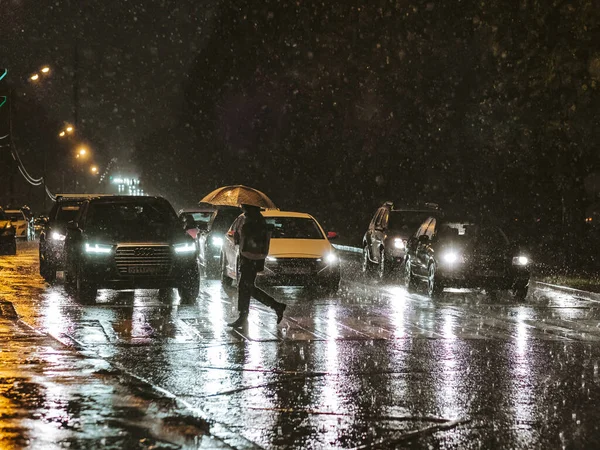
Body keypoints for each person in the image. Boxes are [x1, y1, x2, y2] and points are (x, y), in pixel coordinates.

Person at [227, 204, 287, 328]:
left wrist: (239, 236)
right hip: (253, 258)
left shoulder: (251, 220)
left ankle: (245, 315)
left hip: (249, 258)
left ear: (248, 207)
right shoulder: (258, 219)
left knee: (245, 286)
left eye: (243, 206)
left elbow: (246, 241)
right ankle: (272, 307)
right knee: (246, 286)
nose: (241, 207)